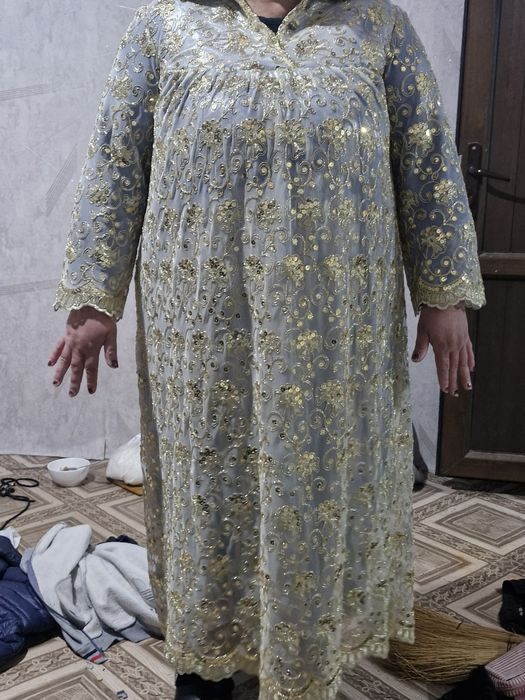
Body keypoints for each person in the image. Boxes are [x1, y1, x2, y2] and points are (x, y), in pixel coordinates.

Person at [48, 0, 486, 698]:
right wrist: (95, 299)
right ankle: (207, 662)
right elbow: (116, 159)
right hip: (201, 327)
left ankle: (305, 656)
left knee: (318, 489)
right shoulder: (167, 25)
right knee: (208, 487)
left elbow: (427, 159)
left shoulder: (375, 25)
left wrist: (443, 295)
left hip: (338, 330)